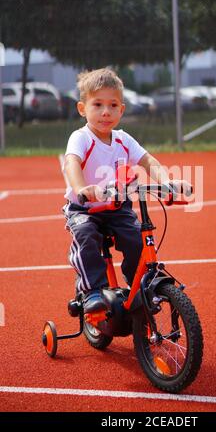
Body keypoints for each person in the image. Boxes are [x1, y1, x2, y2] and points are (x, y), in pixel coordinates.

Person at [63, 68, 190, 314]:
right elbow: (71, 163)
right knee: (86, 235)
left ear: (122, 109)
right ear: (82, 109)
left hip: (116, 207)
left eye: (113, 105)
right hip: (85, 208)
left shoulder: (123, 139)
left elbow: (148, 161)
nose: (105, 112)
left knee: (137, 238)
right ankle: (93, 291)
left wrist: (168, 182)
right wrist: (82, 189)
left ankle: (140, 286)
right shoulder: (81, 138)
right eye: (97, 104)